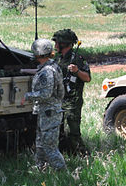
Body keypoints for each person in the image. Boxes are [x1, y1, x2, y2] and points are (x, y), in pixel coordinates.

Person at [24, 38, 66, 171]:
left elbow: (45, 94)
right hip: (46, 112)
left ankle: (62, 173)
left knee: (49, 146)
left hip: (50, 113)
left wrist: (28, 96)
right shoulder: (51, 66)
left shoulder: (47, 71)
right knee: (41, 144)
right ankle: (41, 168)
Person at [52, 28, 91, 155]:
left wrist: (77, 71)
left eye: (57, 42)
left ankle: (82, 155)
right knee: (60, 131)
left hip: (72, 100)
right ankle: (66, 154)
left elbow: (88, 78)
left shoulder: (77, 58)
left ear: (64, 43)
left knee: (73, 131)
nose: (55, 45)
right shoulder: (58, 59)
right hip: (60, 100)